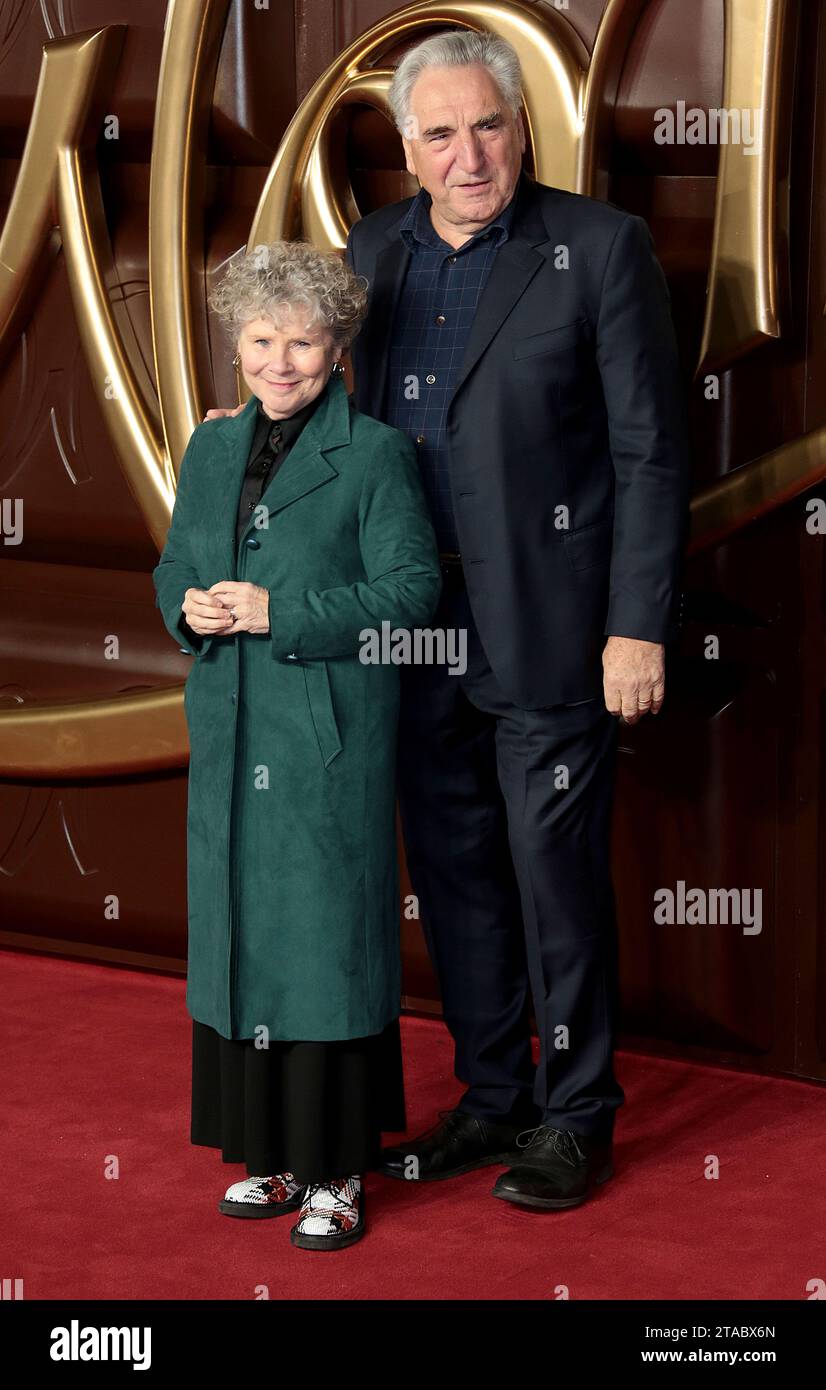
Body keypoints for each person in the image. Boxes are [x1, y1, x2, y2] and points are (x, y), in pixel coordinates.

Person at [208, 28, 691, 1213]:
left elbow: (650, 449)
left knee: (552, 875)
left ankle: (575, 1116)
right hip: (408, 623)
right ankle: (491, 1098)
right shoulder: (375, 248)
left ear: (520, 127)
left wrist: (637, 625)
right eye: (440, 133)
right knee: (459, 868)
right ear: (408, 147)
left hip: (551, 621)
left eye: (489, 125)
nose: (469, 153)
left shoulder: (600, 246)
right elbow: (336, 423)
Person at [153, 239, 441, 1248]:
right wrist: (186, 607)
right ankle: (271, 1161)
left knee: (324, 953)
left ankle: (338, 1175)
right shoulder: (211, 447)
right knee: (244, 947)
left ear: (339, 348)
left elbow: (412, 597)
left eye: (304, 342)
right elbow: (173, 572)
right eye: (263, 339)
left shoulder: (375, 456)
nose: (282, 361)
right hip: (229, 737)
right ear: (237, 343)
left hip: (325, 740)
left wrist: (282, 611)